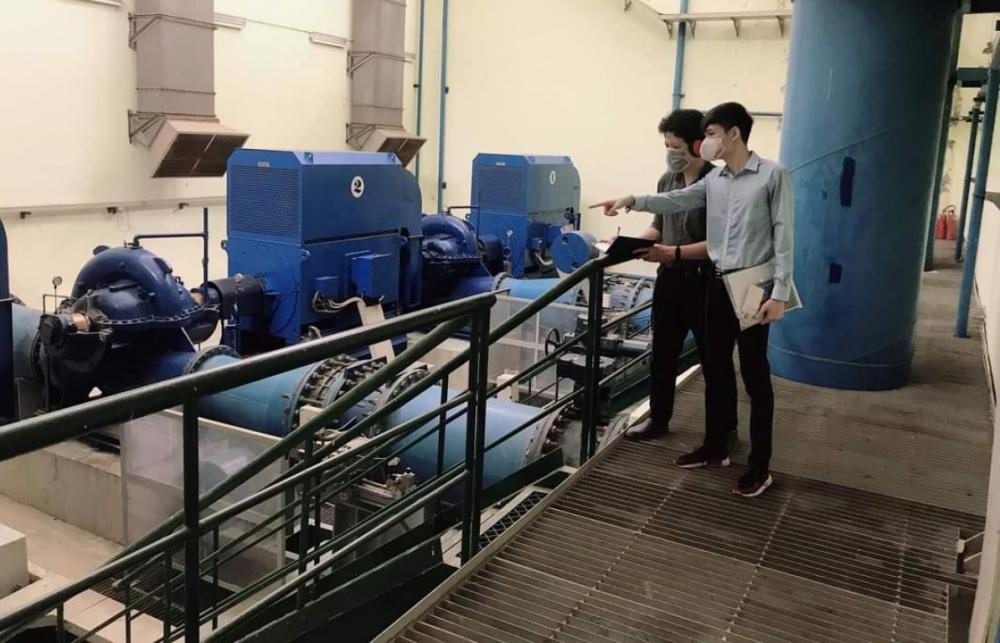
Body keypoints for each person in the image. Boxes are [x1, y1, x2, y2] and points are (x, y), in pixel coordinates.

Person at [592, 102, 793, 499]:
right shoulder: (716, 181)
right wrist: (630, 199)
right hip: (717, 284)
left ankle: (759, 467)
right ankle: (714, 447)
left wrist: (780, 294)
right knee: (715, 367)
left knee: (755, 377)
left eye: (712, 134)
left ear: (734, 133)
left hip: (754, 285)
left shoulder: (773, 175)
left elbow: (784, 237)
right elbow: (676, 200)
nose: (707, 142)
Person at [625, 109, 714, 442]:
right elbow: (659, 226)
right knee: (662, 355)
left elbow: (721, 245)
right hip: (669, 281)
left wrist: (673, 252)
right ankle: (658, 420)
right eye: (667, 146)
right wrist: (631, 246)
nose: (670, 153)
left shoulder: (718, 184)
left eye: (676, 146)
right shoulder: (667, 181)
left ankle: (721, 430)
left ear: (697, 145)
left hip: (706, 282)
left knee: (714, 360)